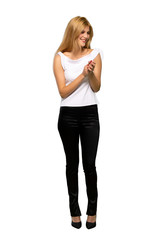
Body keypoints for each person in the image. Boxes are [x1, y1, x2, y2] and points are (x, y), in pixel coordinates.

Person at [53, 16, 103, 229]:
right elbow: (63, 91)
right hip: (68, 117)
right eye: (82, 32)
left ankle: (92, 212)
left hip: (90, 114)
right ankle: (75, 212)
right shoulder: (59, 57)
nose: (85, 36)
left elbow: (96, 87)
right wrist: (82, 75)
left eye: (88, 32)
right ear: (73, 33)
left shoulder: (95, 55)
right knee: (71, 165)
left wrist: (90, 75)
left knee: (89, 165)